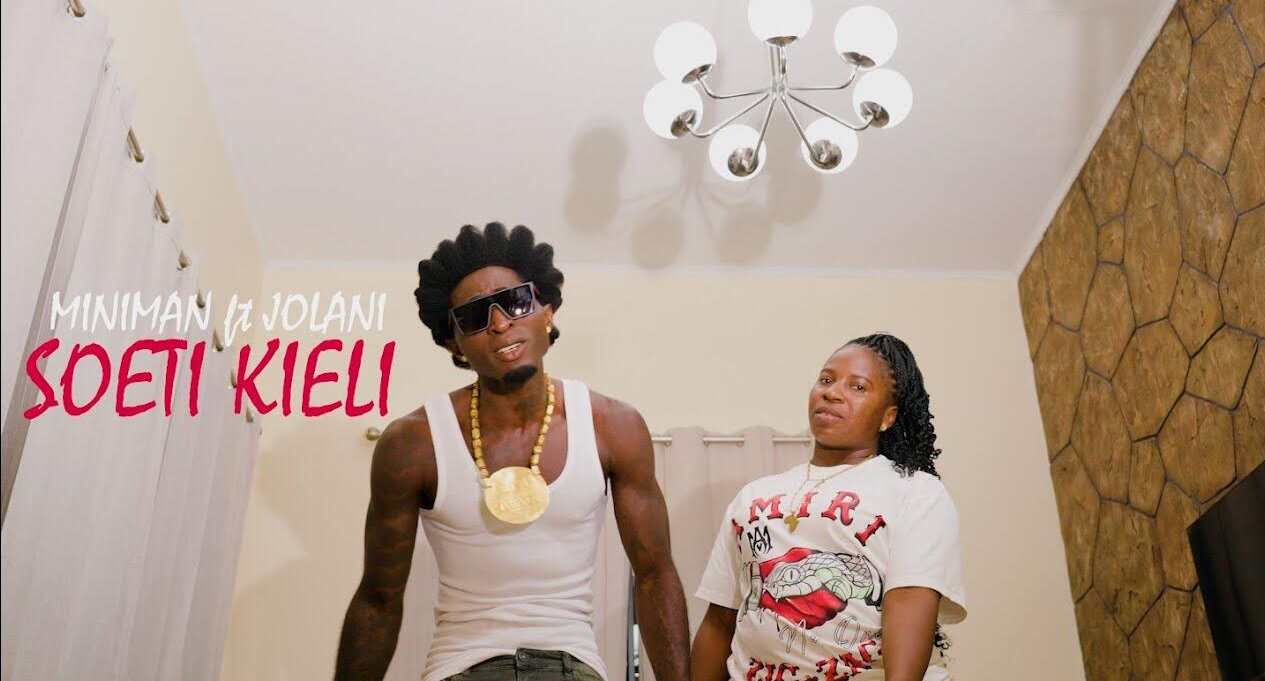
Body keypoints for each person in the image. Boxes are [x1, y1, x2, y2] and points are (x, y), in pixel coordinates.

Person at [335, 223, 690, 681]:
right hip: (461, 668)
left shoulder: (613, 426)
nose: (501, 323)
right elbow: (378, 599)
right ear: (454, 342)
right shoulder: (413, 443)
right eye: (475, 316)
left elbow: (656, 574)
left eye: (515, 302)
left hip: (572, 666)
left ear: (547, 311)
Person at [690, 334, 966, 681]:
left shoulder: (915, 490)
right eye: (826, 380)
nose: (832, 392)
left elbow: (910, 600)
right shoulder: (751, 496)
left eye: (858, 387)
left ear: (888, 416)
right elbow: (719, 621)